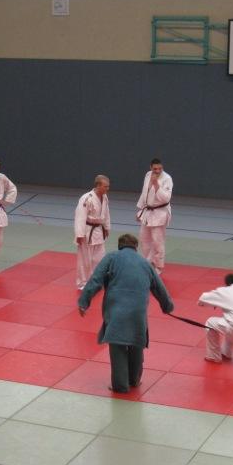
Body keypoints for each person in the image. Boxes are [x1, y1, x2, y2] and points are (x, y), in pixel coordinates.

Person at [78, 234, 174, 393]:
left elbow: (96, 280)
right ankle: (134, 380)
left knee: (118, 345)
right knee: (136, 343)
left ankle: (120, 385)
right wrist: (167, 306)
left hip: (116, 310)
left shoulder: (112, 257)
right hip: (138, 312)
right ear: (136, 247)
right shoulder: (145, 263)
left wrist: (84, 302)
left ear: (119, 246)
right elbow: (159, 288)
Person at [135, 158, 173, 274]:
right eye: (155, 169)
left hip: (160, 212)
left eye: (160, 168)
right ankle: (148, 263)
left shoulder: (167, 179)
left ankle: (158, 266)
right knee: (144, 239)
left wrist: (156, 185)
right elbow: (144, 193)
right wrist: (140, 209)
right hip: (148, 211)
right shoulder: (148, 175)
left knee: (157, 241)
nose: (157, 171)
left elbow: (166, 198)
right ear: (150, 167)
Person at [74, 175, 111, 290]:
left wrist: (106, 227)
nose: (107, 189)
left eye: (108, 186)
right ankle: (83, 283)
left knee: (99, 258)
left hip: (98, 231)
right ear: (98, 185)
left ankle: (96, 280)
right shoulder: (87, 198)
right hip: (87, 232)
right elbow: (80, 217)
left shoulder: (104, 197)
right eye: (105, 186)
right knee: (85, 259)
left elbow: (106, 213)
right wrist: (79, 234)